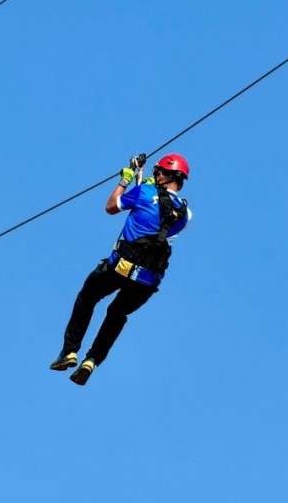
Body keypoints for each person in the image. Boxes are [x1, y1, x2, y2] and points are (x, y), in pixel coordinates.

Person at [51, 153, 192, 385]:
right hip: (148, 279)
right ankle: (92, 361)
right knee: (117, 314)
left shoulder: (143, 192)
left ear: (166, 174)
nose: (155, 176)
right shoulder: (186, 214)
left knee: (87, 297)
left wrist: (125, 180)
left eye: (158, 172)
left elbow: (111, 207)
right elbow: (156, 217)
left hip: (121, 266)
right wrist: (143, 179)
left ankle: (69, 352)